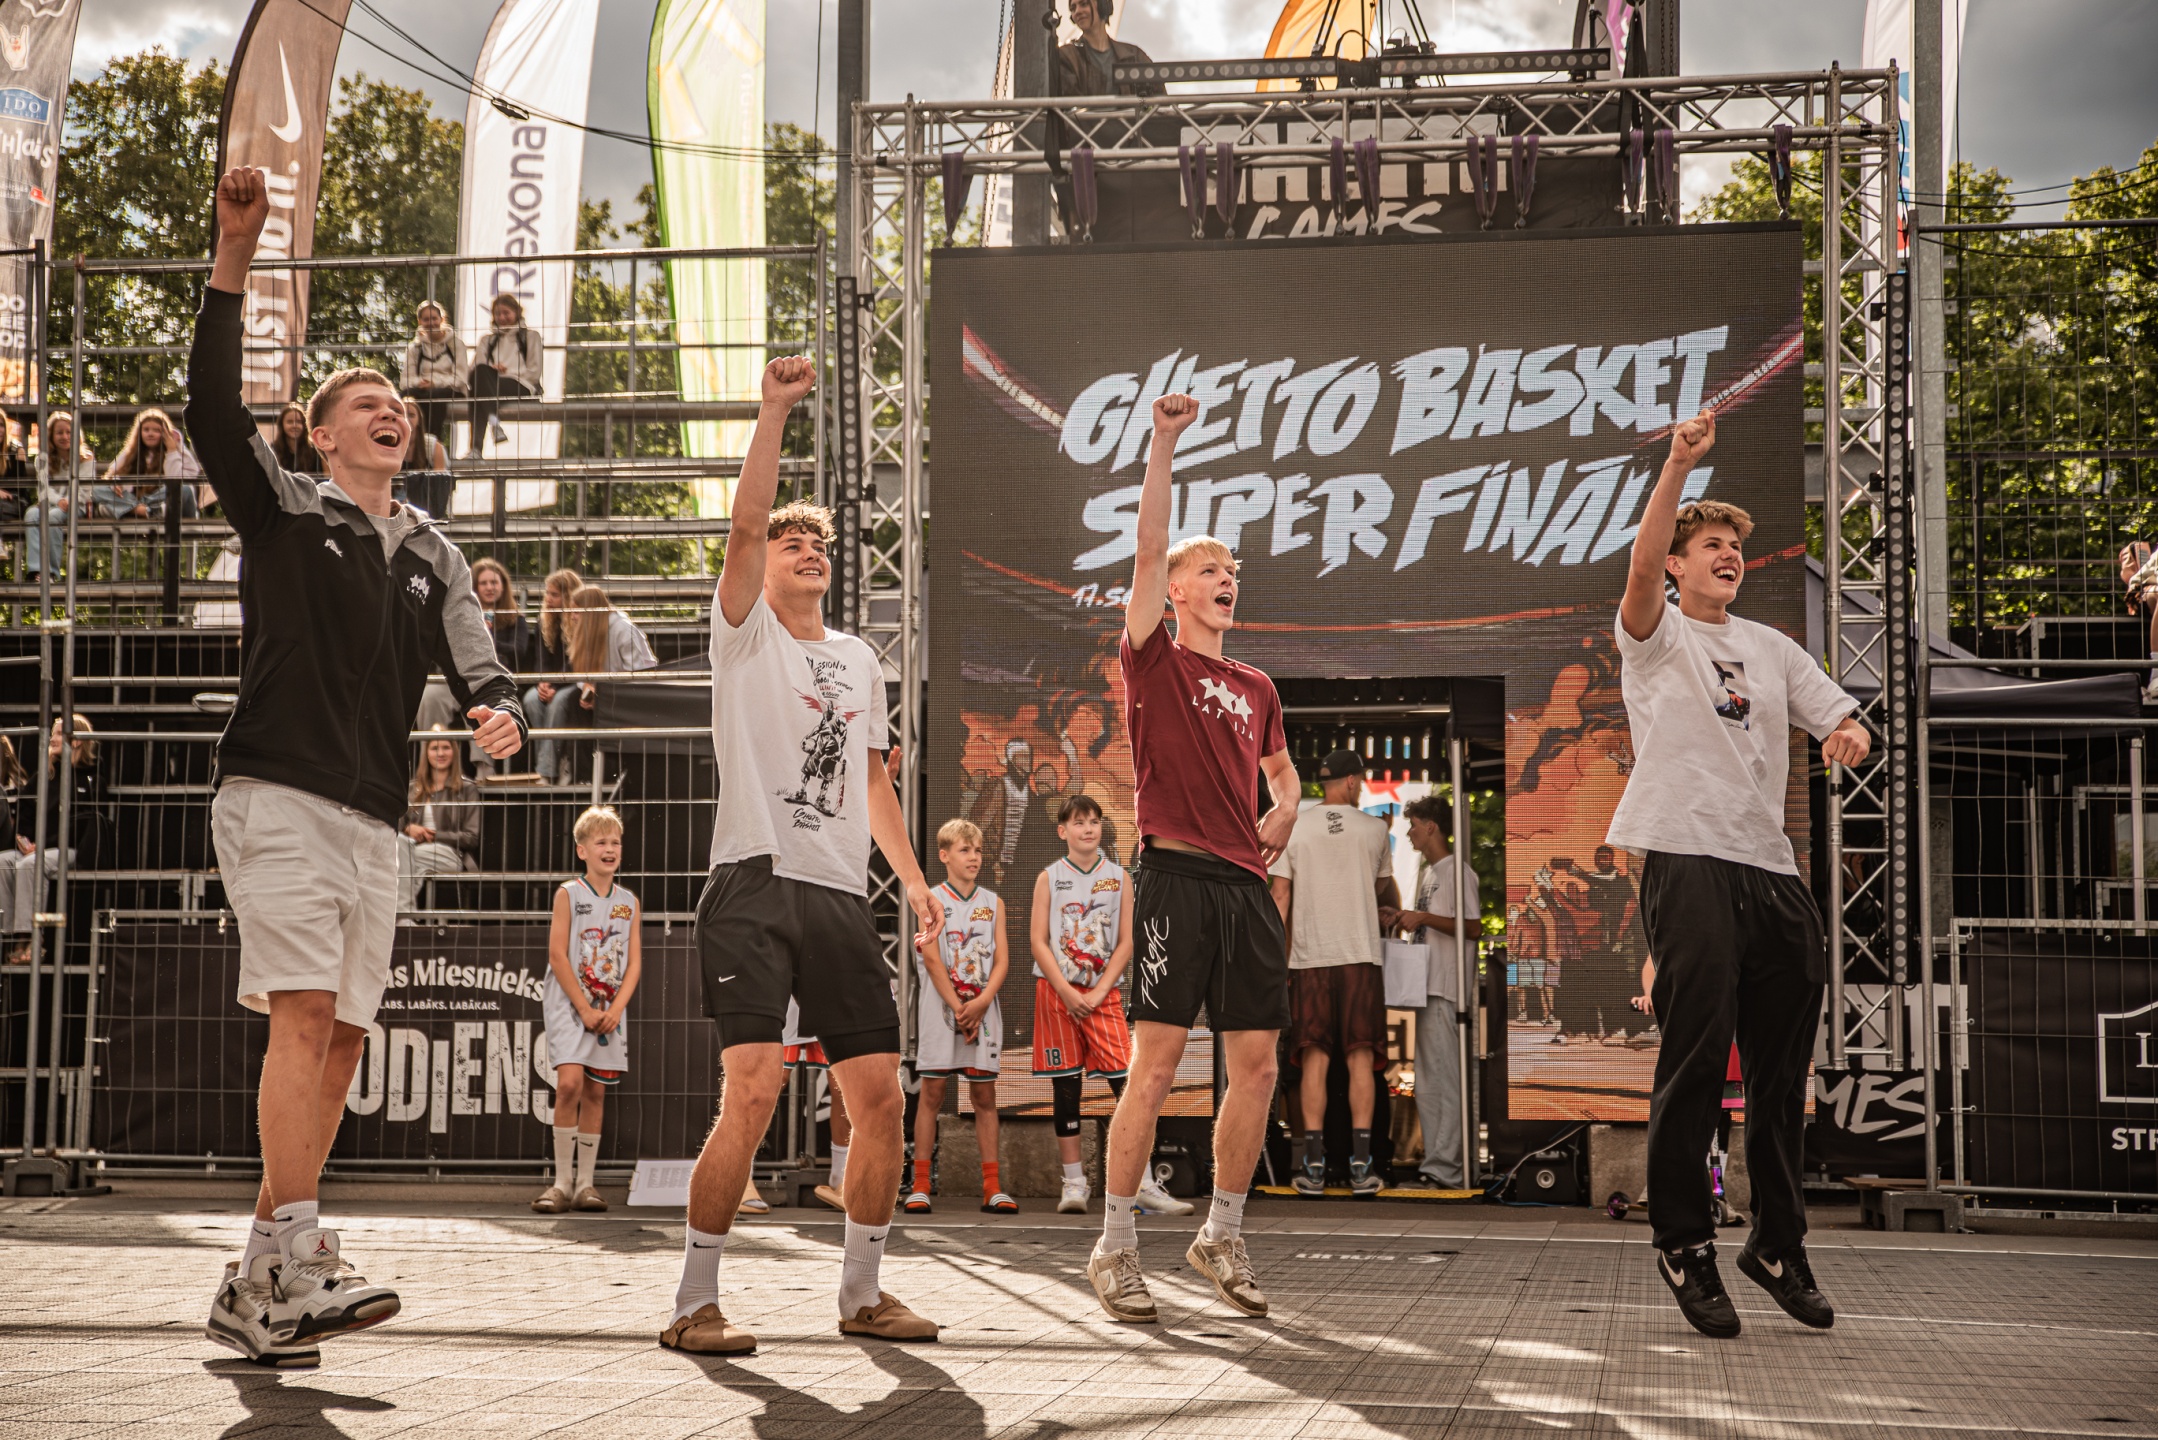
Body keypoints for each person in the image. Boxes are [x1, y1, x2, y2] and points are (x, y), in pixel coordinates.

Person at [190, 166, 526, 1370]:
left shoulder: (435, 553)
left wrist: (500, 716)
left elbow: (486, 672)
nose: (392, 410)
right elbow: (211, 410)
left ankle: (256, 1286)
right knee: (304, 1013)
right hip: (276, 793)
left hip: (376, 821)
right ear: (321, 434)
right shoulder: (283, 509)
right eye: (365, 402)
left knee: (340, 1042)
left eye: (400, 404)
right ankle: (301, 1253)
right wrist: (235, 253)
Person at [660, 353, 942, 1357]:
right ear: (765, 564)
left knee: (880, 1101)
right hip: (751, 882)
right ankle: (693, 1301)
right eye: (793, 543)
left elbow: (873, 783)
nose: (807, 551)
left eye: (818, 544)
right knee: (751, 1090)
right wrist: (774, 411)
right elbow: (743, 526)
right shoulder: (743, 636)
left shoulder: (859, 658)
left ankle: (862, 1294)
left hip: (837, 896)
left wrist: (915, 883)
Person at [1611, 407, 1869, 1340]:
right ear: (1679, 567)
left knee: (1782, 1071)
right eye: (1710, 545)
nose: (1728, 555)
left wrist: (1848, 732)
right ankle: (1685, 1241)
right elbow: (1640, 568)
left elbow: (1840, 714)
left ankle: (1777, 1244)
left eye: (1735, 547)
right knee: (1695, 1055)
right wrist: (1680, 465)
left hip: (1770, 869)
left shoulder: (1772, 648)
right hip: (1686, 855)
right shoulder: (1656, 636)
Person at [1087, 392, 1299, 1326]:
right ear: (1174, 591)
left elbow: (1284, 775)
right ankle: (1115, 1244)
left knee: (1257, 1068)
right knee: (1158, 1063)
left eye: (1232, 571)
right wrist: (1163, 443)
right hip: (1173, 878)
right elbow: (1146, 549)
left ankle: (1222, 1233)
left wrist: (1288, 804)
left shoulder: (1257, 685)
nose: (1226, 578)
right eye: (1209, 569)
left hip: (1245, 888)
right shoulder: (1155, 661)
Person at [1268, 749, 1397, 1199]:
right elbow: (1381, 888)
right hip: (1361, 958)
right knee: (1361, 1059)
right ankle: (1362, 1166)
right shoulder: (1376, 830)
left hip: (1309, 959)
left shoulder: (1296, 827)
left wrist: (1274, 962)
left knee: (1314, 1061)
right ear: (1352, 781)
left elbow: (1279, 897)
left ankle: (1314, 1165)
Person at [1029, 794, 1150, 1215]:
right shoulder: (1049, 877)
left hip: (1103, 994)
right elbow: (1038, 941)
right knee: (1066, 1087)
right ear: (1062, 831)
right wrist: (1065, 990)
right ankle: (1074, 1183)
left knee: (1126, 1085)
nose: (1088, 829)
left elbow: (1127, 942)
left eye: (1094, 821)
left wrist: (1098, 993)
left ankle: (1142, 1183)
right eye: (1079, 822)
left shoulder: (1119, 878)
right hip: (1056, 993)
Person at [533, 806, 642, 1215]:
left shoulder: (629, 902)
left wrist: (615, 1008)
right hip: (569, 1005)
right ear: (582, 850)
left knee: (596, 1091)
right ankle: (561, 1183)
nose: (610, 849)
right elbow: (557, 955)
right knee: (569, 1085)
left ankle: (585, 1185)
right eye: (601, 842)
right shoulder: (569, 893)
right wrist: (584, 1007)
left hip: (609, 1010)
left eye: (615, 842)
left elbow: (634, 964)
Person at [904, 819, 1016, 1216]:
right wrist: (958, 1007)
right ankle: (920, 1186)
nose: (974, 857)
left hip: (982, 1010)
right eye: (965, 850)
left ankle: (992, 1188)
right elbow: (932, 959)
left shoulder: (993, 902)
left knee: (985, 1097)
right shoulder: (931, 900)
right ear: (944, 855)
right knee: (932, 1095)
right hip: (941, 1011)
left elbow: (1002, 960)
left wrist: (981, 1002)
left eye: (979, 850)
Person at [1390, 793, 1481, 1189]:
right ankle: (1438, 1164)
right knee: (1428, 1082)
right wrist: (1403, 917)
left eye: (1413, 825)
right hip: (1427, 987)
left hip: (1447, 988)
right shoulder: (1431, 874)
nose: (1409, 833)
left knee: (1444, 1080)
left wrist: (1422, 916)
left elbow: (1473, 927)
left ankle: (1447, 1169)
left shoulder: (1457, 872)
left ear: (1431, 826)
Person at [1, 717, 103, 966]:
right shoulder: (45, 775)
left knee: (30, 865)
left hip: (70, 849)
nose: (51, 739)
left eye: (58, 734)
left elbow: (84, 824)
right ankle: (8, 935)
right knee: (4, 862)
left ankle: (32, 938)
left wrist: (43, 844)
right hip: (38, 849)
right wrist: (23, 840)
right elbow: (24, 811)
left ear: (76, 741)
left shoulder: (91, 777)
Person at [537, 583, 657, 785]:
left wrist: (604, 693)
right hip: (603, 694)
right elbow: (581, 672)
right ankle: (582, 775)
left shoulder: (623, 630)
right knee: (574, 702)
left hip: (628, 697)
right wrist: (587, 688)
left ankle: (600, 776)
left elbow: (640, 674)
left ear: (590, 611)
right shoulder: (586, 630)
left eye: (576, 611)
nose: (572, 617)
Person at [396, 728, 480, 912]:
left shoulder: (467, 788)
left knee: (401, 860)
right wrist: (409, 829)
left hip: (450, 853)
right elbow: (396, 824)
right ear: (426, 753)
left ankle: (402, 914)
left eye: (445, 747)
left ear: (454, 752)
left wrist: (432, 835)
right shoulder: (412, 788)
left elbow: (471, 837)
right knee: (403, 851)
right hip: (412, 849)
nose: (440, 753)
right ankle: (405, 915)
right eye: (434, 748)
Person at [18, 411, 97, 580]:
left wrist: (67, 501)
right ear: (51, 436)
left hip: (76, 505)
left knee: (53, 517)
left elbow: (85, 490)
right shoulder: (42, 459)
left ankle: (52, 572)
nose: (65, 436)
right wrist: (58, 500)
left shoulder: (86, 458)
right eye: (59, 433)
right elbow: (43, 488)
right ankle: (36, 570)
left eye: (69, 432)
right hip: (51, 502)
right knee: (31, 514)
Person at [467, 293, 543, 457]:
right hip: (490, 384)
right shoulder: (487, 340)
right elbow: (475, 368)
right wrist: (492, 369)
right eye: (497, 314)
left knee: (478, 394)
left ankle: (476, 448)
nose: (501, 317)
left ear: (517, 312)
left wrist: (505, 371)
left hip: (521, 384)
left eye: (506, 313)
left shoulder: (531, 336)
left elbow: (534, 371)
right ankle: (493, 422)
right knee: (479, 380)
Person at [97, 407, 206, 519]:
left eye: (156, 430)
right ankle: (143, 510)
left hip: (166, 503)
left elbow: (175, 481)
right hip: (137, 501)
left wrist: (172, 451)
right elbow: (110, 476)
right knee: (98, 492)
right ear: (139, 432)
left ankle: (142, 509)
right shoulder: (130, 453)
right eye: (146, 430)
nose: (150, 434)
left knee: (184, 489)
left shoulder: (177, 451)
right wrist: (115, 484)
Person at [1055, 0, 1164, 96]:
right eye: (1073, 8)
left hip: (1129, 115)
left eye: (1084, 4)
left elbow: (1158, 99)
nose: (1077, 11)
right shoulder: (1066, 56)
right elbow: (1070, 104)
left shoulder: (1134, 55)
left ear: (1103, 5)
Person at [400, 300, 468, 446]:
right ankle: (406, 441)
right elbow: (405, 381)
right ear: (420, 321)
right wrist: (421, 383)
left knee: (434, 397)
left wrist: (435, 383)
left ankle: (432, 442)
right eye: (426, 319)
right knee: (404, 396)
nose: (431, 323)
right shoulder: (414, 348)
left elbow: (461, 378)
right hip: (422, 388)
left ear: (442, 319)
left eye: (434, 318)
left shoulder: (456, 344)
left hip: (450, 389)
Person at [471, 558, 536, 675]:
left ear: (503, 586)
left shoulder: (516, 618)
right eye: (483, 583)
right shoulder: (466, 618)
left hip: (506, 676)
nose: (489, 587)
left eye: (494, 582)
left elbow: (518, 650)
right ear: (475, 587)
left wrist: (486, 638)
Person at [396, 398, 453, 520]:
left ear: (419, 420)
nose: (407, 419)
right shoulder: (388, 443)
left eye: (411, 415)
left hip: (426, 504)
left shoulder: (433, 446)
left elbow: (439, 485)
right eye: (402, 415)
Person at [269, 403, 322, 475]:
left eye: (298, 422)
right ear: (282, 425)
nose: (294, 425)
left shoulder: (315, 449)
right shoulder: (274, 449)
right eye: (289, 422)